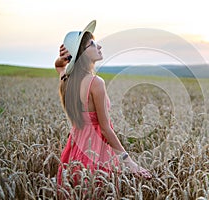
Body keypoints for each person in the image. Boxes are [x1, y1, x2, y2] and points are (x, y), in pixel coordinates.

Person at [55, 20, 152, 186]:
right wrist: (131, 163)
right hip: (96, 152)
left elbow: (59, 67)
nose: (98, 46)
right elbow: (106, 129)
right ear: (81, 53)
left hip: (75, 151)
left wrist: (61, 60)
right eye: (92, 44)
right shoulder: (95, 82)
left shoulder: (67, 80)